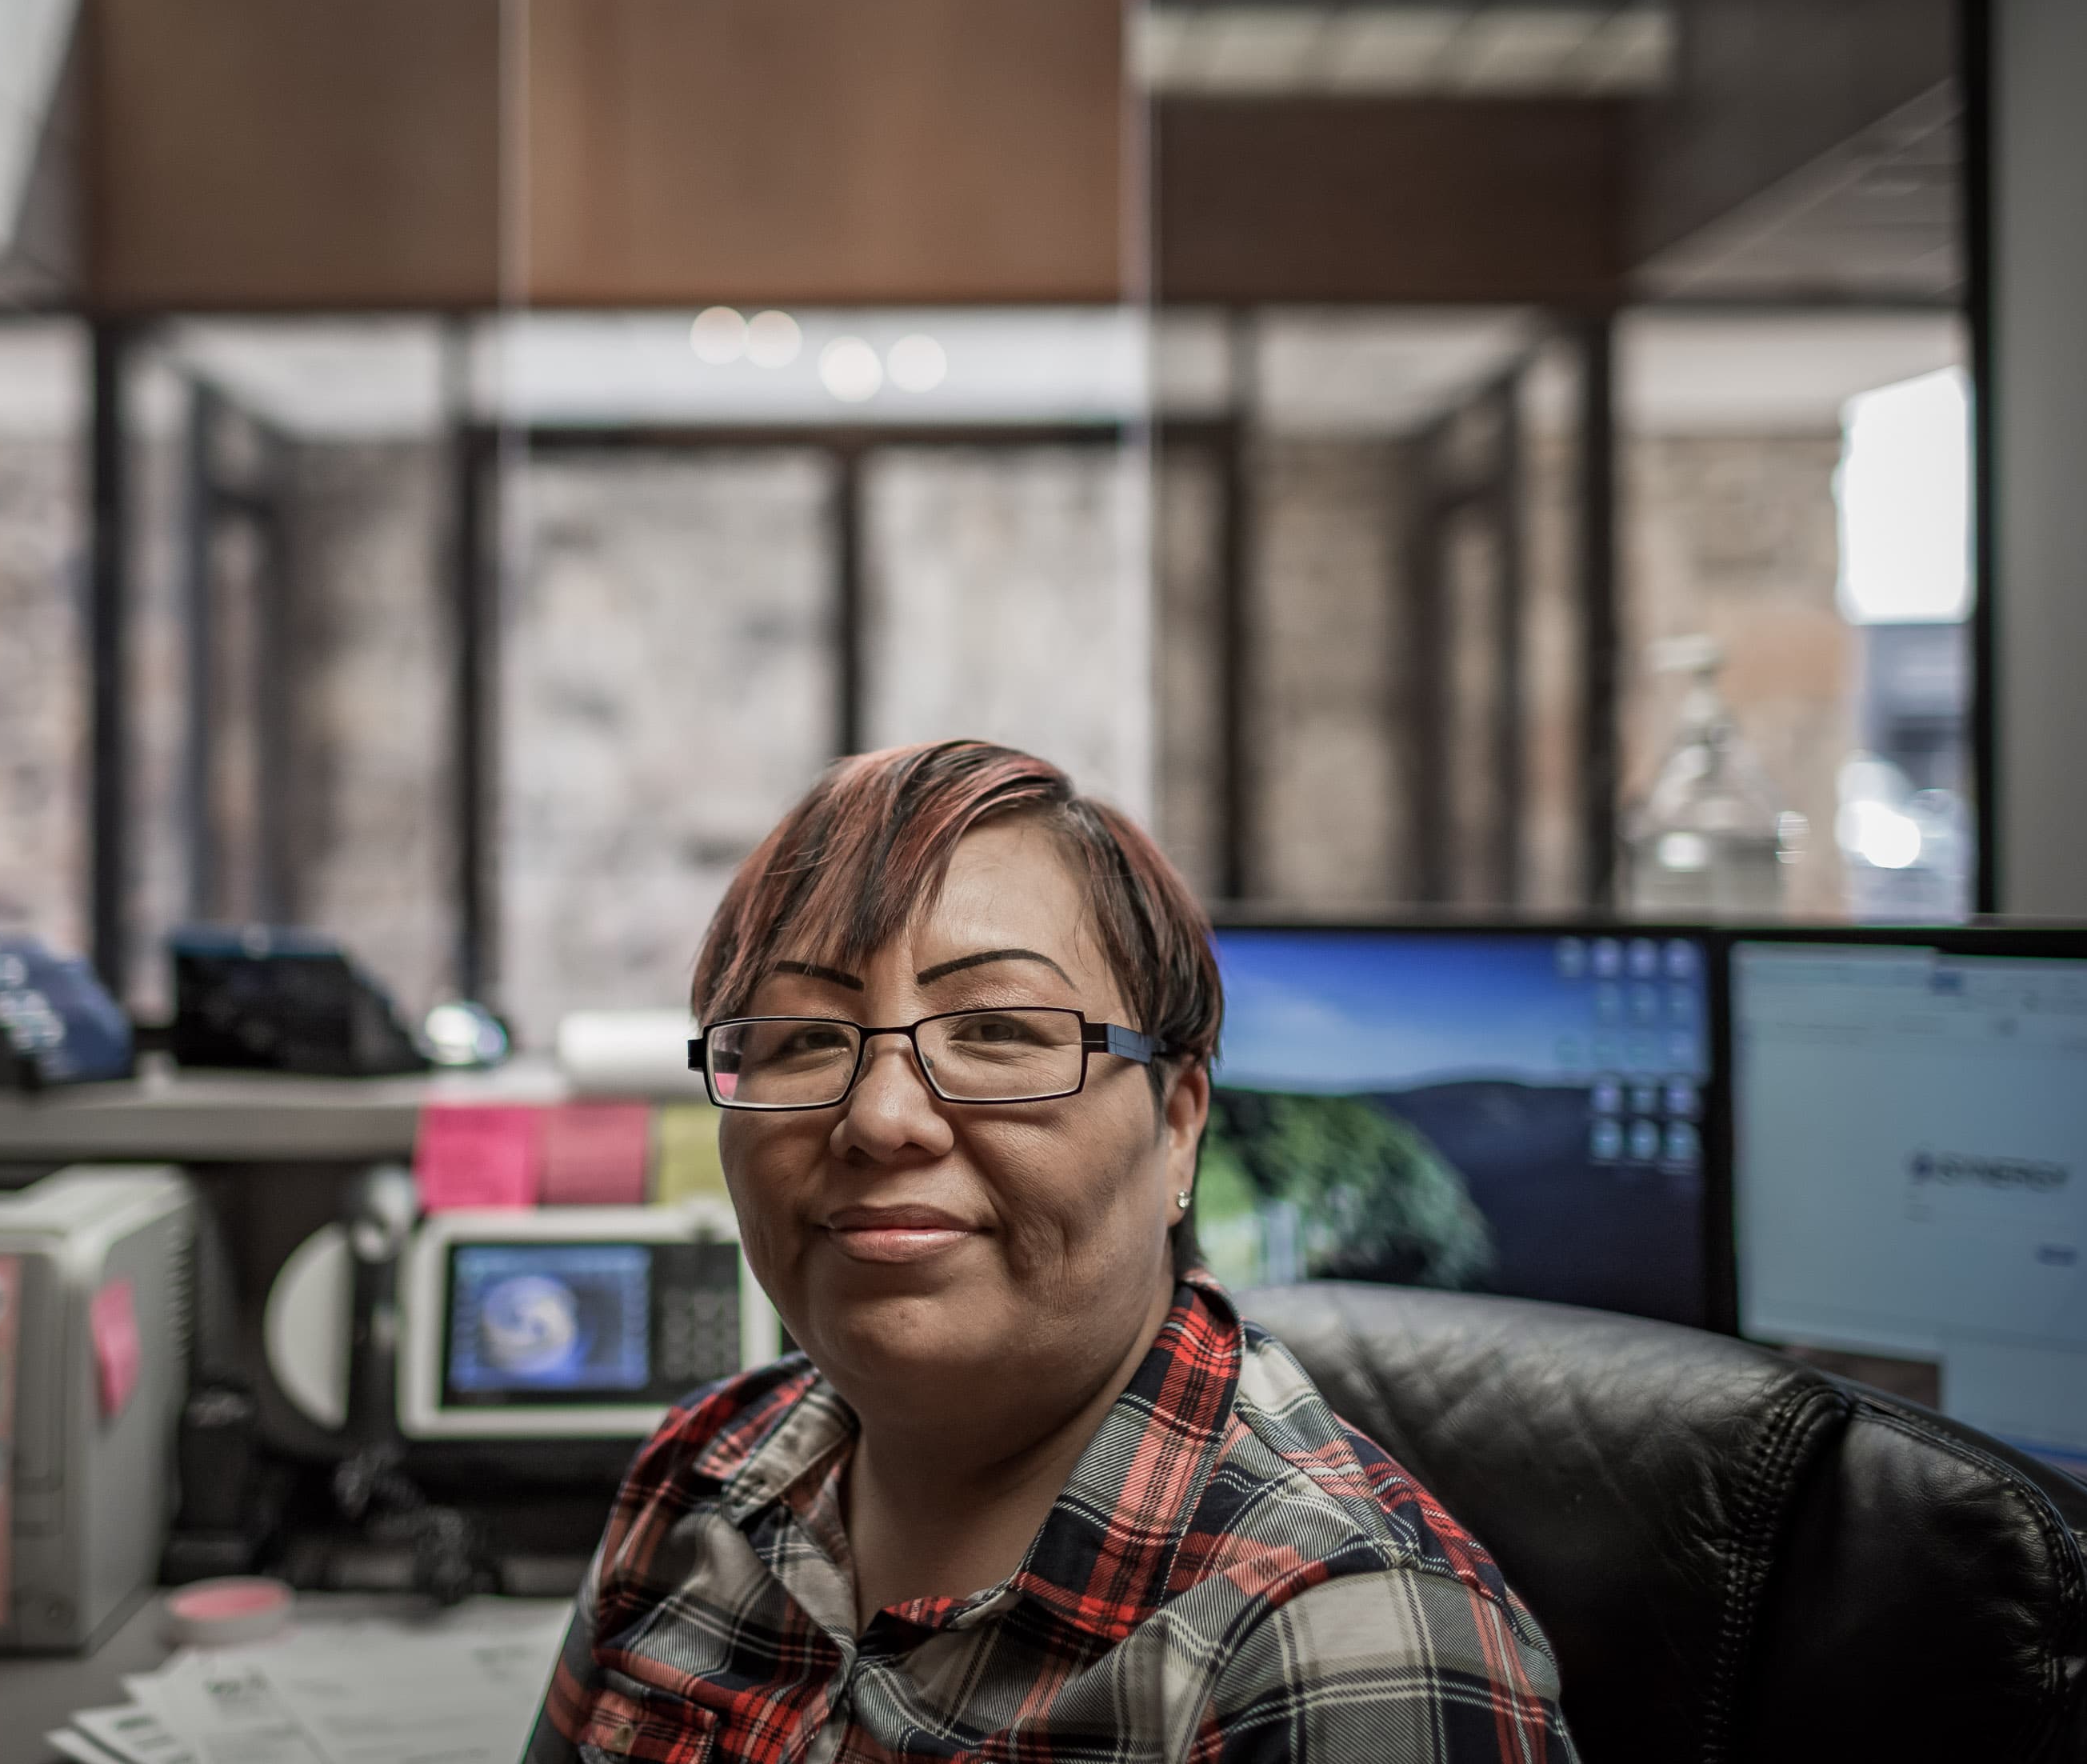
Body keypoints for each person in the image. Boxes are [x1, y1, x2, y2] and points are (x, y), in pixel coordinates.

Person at [527, 741, 1577, 1762]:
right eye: (801, 1038)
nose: (881, 1119)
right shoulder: (698, 1478)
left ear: (1177, 1125)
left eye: (996, 1031)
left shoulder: (1338, 1639)